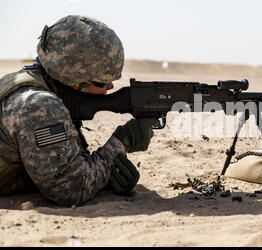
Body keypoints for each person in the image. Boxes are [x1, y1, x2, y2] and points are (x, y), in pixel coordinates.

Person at [0, 15, 154, 207]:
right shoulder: (39, 106)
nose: (111, 86)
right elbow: (72, 188)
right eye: (101, 82)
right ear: (74, 81)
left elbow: (66, 163)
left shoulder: (31, 83)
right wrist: (122, 142)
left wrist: (106, 178)